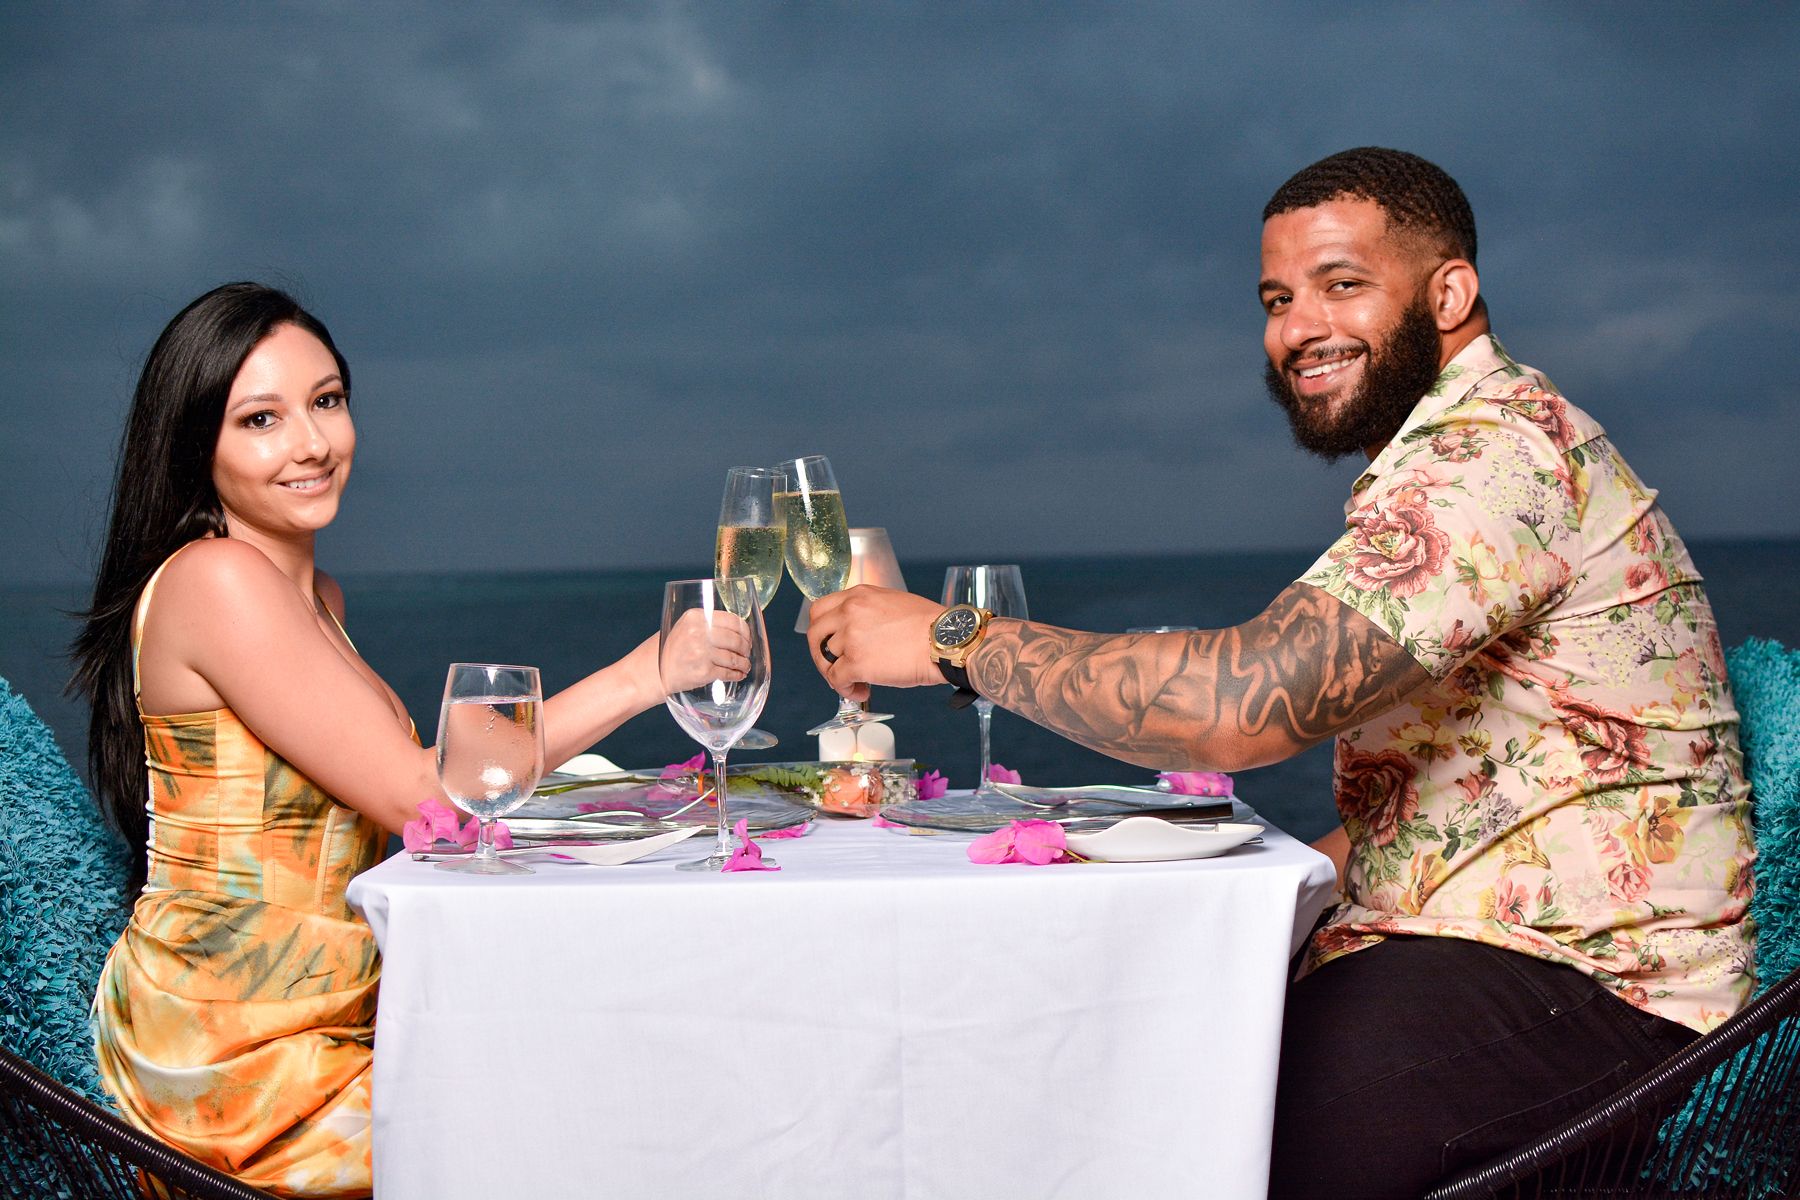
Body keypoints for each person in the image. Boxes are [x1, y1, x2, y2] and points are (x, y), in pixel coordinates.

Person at [802, 148, 1756, 1198]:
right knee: (1109, 1057)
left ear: (1449, 293)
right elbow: (1471, 790)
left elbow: (1239, 708)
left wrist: (953, 640)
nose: (1299, 328)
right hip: (1477, 943)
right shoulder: (1446, 455)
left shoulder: (1490, 461)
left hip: (1602, 990)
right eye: (1277, 298)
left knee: (1179, 1131)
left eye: (1343, 284)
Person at [70, 282, 743, 1198]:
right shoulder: (216, 580)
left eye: (327, 401)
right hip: (234, 1056)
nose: (311, 443)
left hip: (326, 1011)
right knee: (568, 1130)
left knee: (608, 1063)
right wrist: (645, 673)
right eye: (260, 419)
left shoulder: (316, 599)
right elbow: (425, 795)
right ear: (198, 448)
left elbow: (436, 785)